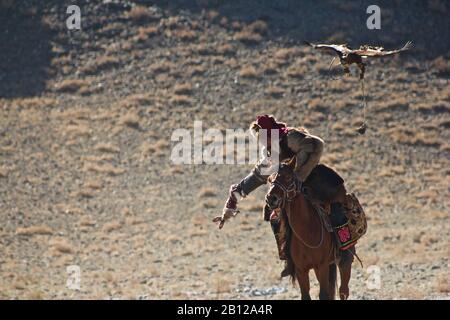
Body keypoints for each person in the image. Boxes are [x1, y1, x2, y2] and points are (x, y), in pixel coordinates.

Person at [213, 115, 353, 277]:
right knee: (275, 217)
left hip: (315, 179)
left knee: (334, 207)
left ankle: (346, 248)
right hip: (289, 188)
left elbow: (317, 144)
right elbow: (254, 179)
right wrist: (230, 206)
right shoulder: (270, 154)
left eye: (264, 136)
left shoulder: (290, 137)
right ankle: (289, 258)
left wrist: (298, 174)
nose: (262, 141)